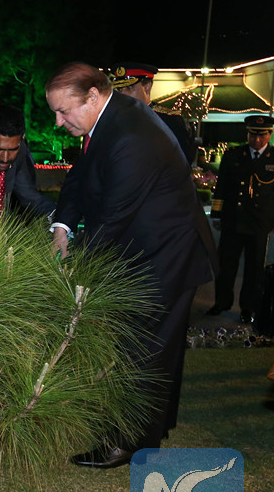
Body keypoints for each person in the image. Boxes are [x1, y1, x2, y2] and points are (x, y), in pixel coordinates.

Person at [46, 62, 215, 468]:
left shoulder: (130, 137)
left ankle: (130, 442)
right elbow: (80, 179)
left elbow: (111, 220)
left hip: (166, 254)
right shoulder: (105, 121)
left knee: (143, 349)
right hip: (147, 247)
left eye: (64, 111)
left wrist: (71, 268)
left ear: (93, 96)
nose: (58, 121)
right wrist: (62, 227)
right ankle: (151, 429)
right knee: (150, 346)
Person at [206, 114, 274, 324]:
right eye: (252, 135)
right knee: (226, 265)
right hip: (233, 220)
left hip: (260, 222)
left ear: (269, 135)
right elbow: (222, 188)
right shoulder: (234, 155)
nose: (256, 140)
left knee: (254, 269)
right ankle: (222, 302)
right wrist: (217, 214)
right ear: (247, 134)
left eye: (261, 136)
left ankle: (248, 308)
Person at [108, 62, 196, 163]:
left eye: (129, 88)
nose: (123, 94)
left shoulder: (168, 121)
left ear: (147, 87)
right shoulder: (114, 121)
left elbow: (182, 163)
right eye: (119, 89)